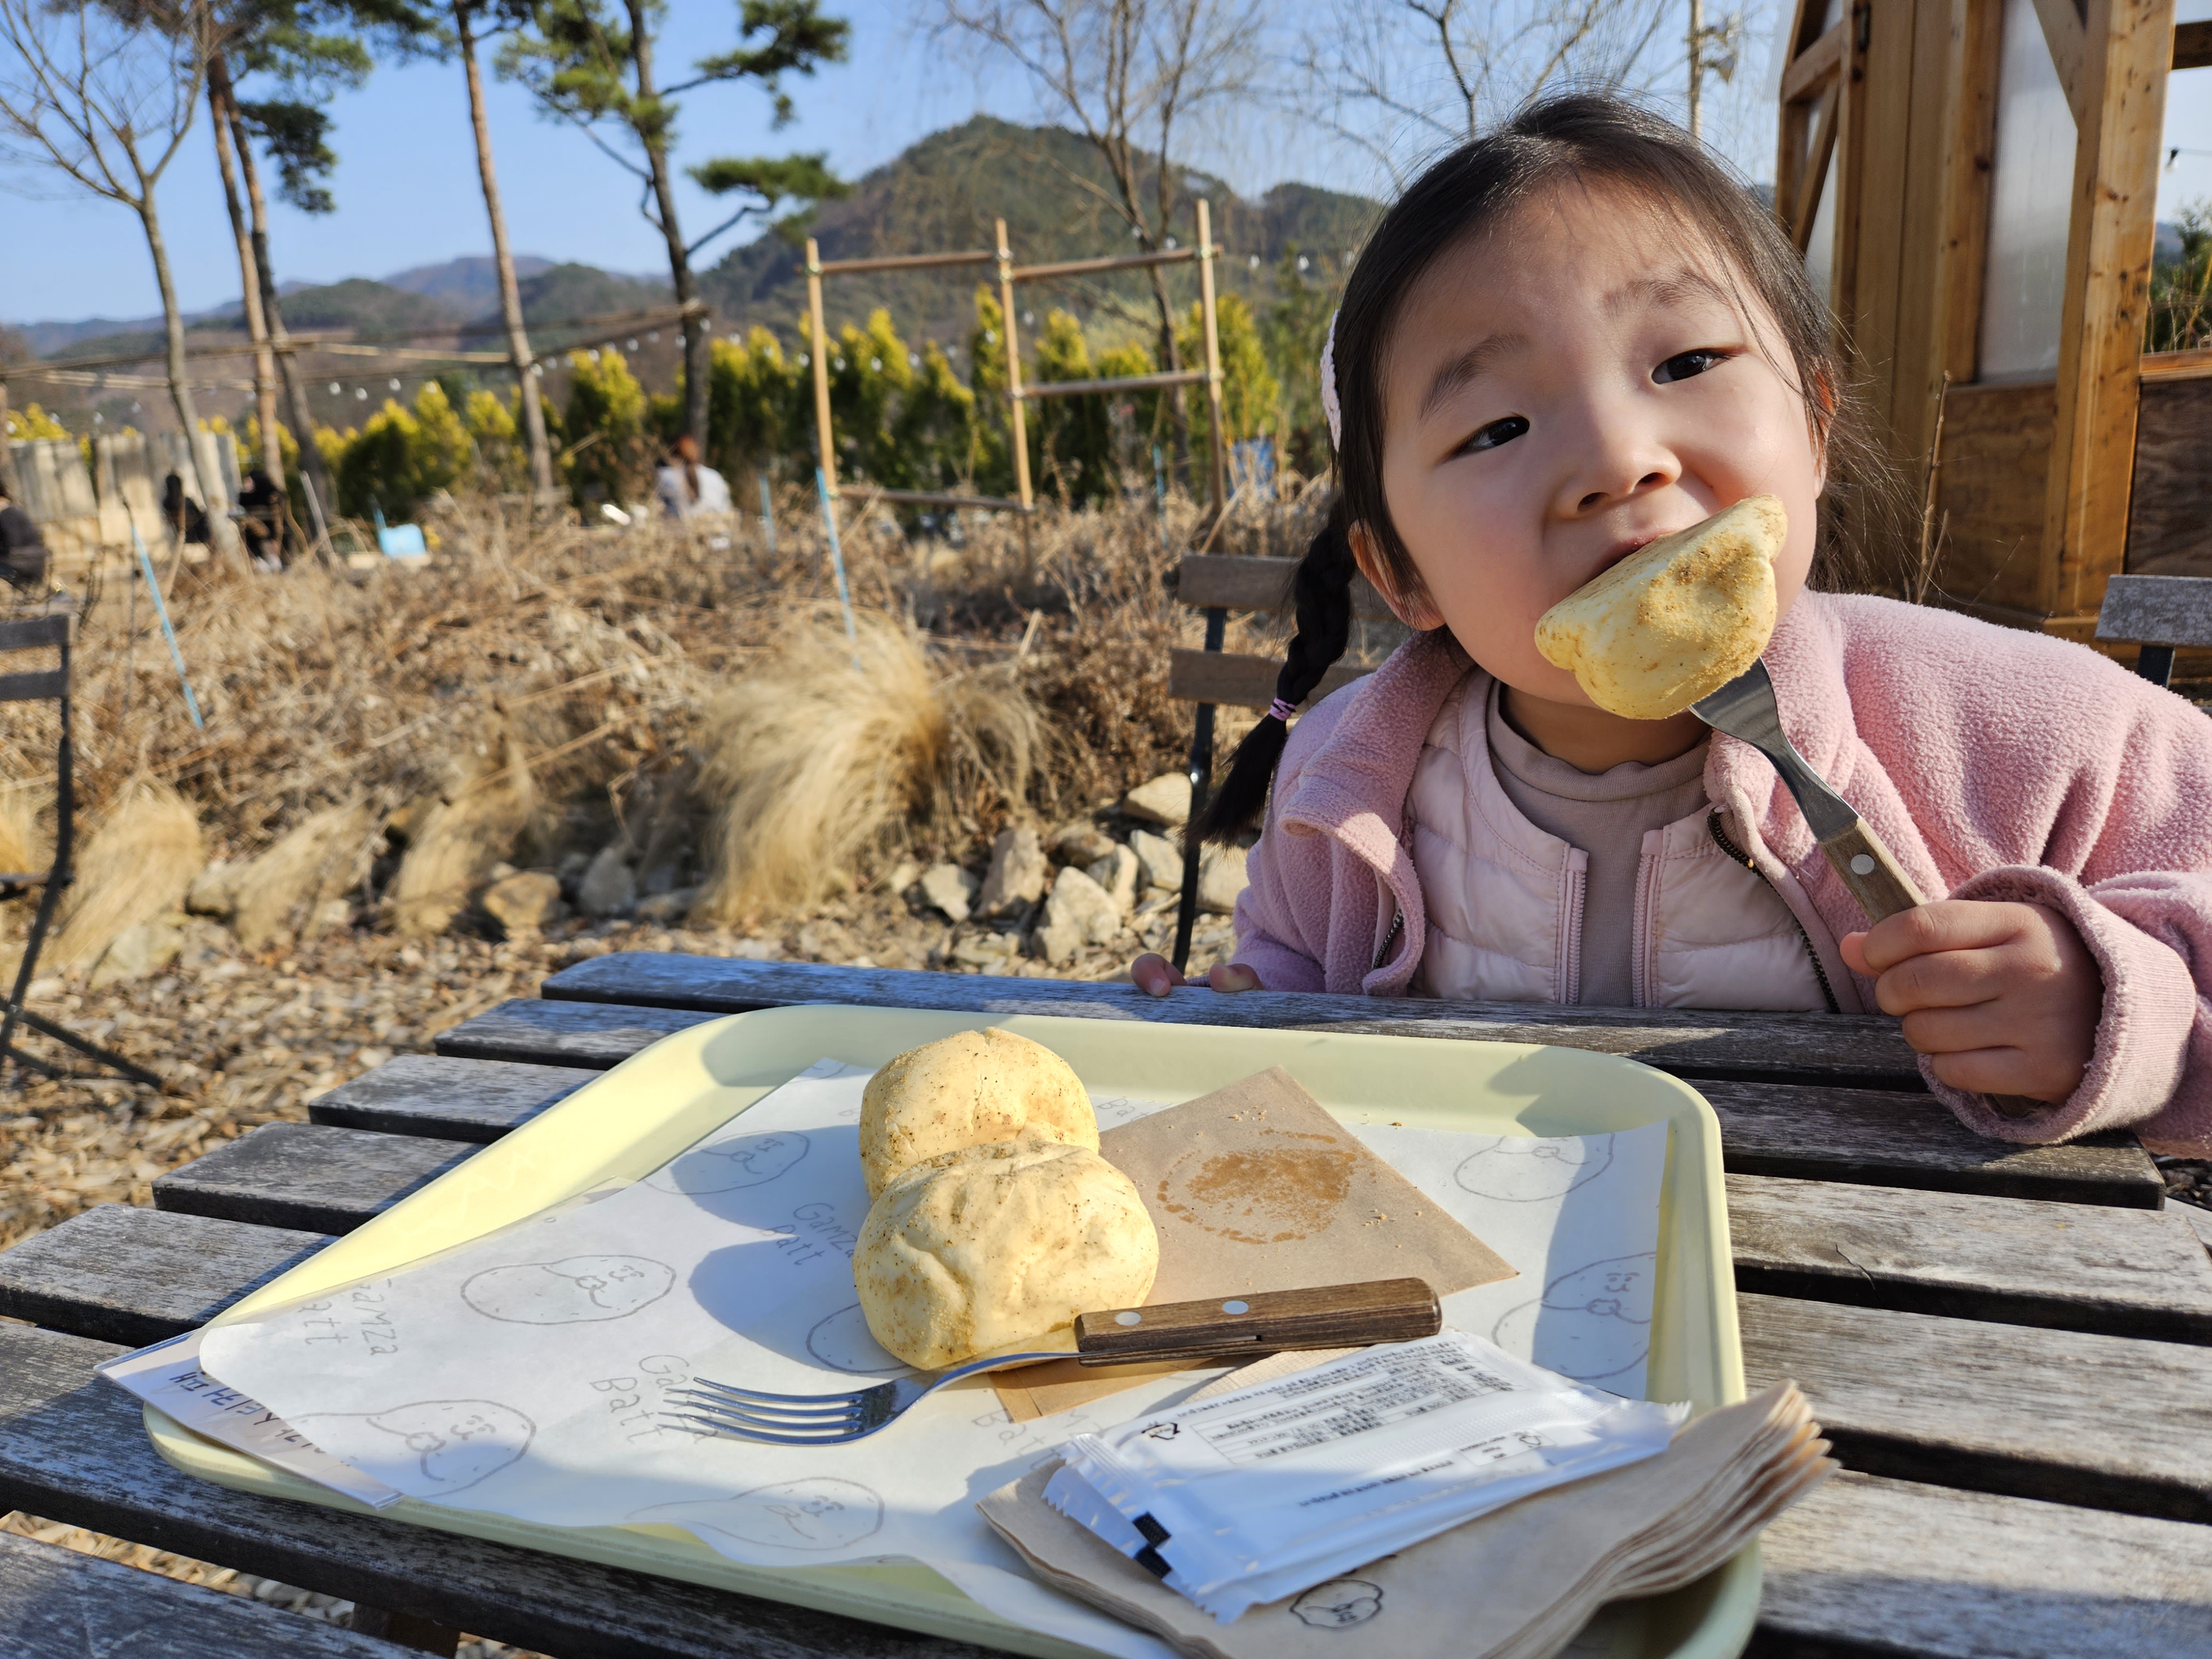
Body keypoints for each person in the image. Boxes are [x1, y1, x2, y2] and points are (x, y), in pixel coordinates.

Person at [1131, 93, 2212, 1159]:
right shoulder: (1342, 790)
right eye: (1497, 427)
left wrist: (2114, 1004)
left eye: (1686, 364)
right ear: (1403, 574)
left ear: (1815, 424)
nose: (1616, 460)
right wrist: (1243, 1013)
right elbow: (1295, 982)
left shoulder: (2015, 730)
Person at [655, 434, 732, 523]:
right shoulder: (715, 476)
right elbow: (726, 510)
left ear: (673, 455)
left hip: (677, 529)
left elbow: (658, 507)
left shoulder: (665, 476)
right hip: (715, 529)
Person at [0, 481, 48, 593]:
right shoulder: (14, 511)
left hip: (23, 563)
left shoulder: (7, 515)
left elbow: (12, 544)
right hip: (32, 561)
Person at [234, 467, 286, 569]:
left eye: (249, 481)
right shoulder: (247, 497)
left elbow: (276, 521)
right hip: (260, 534)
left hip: (268, 533)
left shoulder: (270, 497)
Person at [161, 471, 209, 548]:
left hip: (181, 535)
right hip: (195, 534)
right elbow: (199, 515)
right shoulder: (186, 501)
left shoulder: (166, 503)